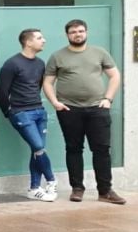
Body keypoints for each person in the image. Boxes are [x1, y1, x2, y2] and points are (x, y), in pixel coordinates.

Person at [43, 19, 125, 204]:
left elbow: (114, 75)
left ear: (86, 32)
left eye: (80, 31)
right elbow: (47, 82)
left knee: (102, 150)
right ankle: (77, 189)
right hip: (69, 109)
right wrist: (55, 102)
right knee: (73, 148)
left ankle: (105, 191)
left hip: (98, 108)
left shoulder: (99, 53)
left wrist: (108, 99)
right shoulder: (58, 56)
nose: (77, 34)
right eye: (73, 32)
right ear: (67, 35)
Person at [0, 28, 58, 202]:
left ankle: (34, 188)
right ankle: (52, 180)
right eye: (39, 38)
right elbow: (2, 91)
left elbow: (37, 86)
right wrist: (9, 112)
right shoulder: (11, 64)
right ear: (28, 42)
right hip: (21, 113)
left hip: (39, 111)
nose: (43, 40)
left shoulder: (40, 63)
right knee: (39, 147)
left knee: (37, 151)